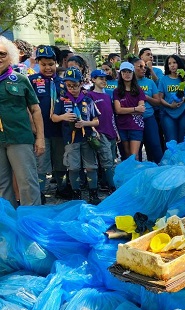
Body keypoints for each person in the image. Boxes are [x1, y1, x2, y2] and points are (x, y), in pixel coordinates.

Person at [0, 36, 44, 207]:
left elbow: (35, 109)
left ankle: (31, 224)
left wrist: (40, 138)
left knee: (27, 182)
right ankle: (8, 224)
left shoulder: (20, 79)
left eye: (2, 54)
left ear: (10, 56)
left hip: (20, 138)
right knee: (2, 185)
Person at [51, 67, 101, 204]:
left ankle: (93, 193)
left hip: (87, 138)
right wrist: (64, 116)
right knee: (73, 167)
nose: (72, 88)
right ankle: (76, 194)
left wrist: (85, 123)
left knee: (91, 166)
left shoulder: (87, 100)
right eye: (69, 85)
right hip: (70, 140)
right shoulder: (62, 101)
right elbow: (54, 117)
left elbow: (97, 121)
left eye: (75, 85)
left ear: (81, 83)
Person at [28, 45, 72, 201]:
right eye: (44, 64)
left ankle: (62, 188)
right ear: (38, 64)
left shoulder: (63, 83)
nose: (48, 68)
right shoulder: (32, 81)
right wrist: (33, 127)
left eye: (51, 64)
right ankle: (39, 191)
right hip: (41, 131)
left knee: (61, 161)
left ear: (56, 63)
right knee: (41, 162)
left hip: (59, 130)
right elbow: (27, 107)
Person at [88, 69, 119, 192]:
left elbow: (111, 115)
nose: (104, 81)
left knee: (111, 159)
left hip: (110, 131)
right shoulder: (89, 96)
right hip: (100, 133)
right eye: (101, 78)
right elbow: (89, 115)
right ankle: (112, 187)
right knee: (107, 161)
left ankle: (105, 183)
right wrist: (94, 130)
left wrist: (115, 131)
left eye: (105, 79)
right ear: (94, 79)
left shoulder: (107, 96)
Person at [113, 61, 146, 159]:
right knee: (126, 155)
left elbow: (142, 109)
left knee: (134, 156)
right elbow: (118, 110)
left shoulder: (139, 90)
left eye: (129, 72)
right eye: (124, 72)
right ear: (121, 74)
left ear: (133, 73)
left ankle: (136, 174)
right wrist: (135, 108)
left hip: (136, 126)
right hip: (122, 126)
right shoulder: (117, 91)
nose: (127, 74)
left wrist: (126, 110)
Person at [158, 55, 185, 144]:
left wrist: (184, 99)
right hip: (168, 113)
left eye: (174, 62)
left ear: (179, 64)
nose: (172, 65)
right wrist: (170, 105)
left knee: (182, 142)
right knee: (171, 141)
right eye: (169, 63)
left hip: (184, 112)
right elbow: (160, 98)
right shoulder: (163, 79)